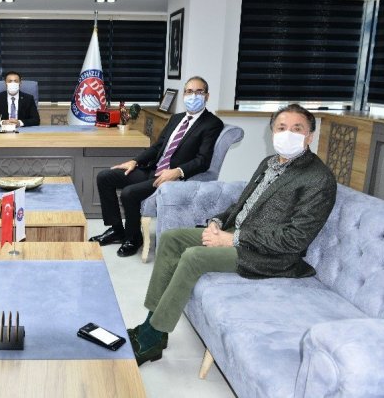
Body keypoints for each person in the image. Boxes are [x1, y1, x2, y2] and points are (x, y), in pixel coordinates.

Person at [128, 104, 337, 366]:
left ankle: (151, 338)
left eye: (297, 129)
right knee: (171, 239)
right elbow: (243, 204)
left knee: (194, 257)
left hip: (271, 256)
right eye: (282, 128)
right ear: (272, 132)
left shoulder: (318, 178)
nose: (288, 134)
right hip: (237, 233)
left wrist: (232, 239)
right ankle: (152, 326)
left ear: (310, 136)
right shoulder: (269, 163)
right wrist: (217, 222)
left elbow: (295, 238)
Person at [89, 76, 224, 257]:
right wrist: (135, 161)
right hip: (153, 170)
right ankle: (117, 230)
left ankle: (133, 237)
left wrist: (178, 172)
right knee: (105, 177)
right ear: (184, 95)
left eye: (199, 92)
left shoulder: (212, 123)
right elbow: (157, 147)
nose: (193, 96)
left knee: (129, 193)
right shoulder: (176, 118)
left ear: (207, 96)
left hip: (171, 178)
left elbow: (203, 160)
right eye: (189, 91)